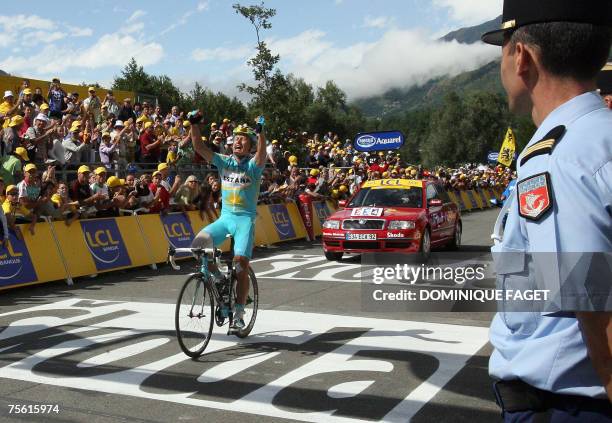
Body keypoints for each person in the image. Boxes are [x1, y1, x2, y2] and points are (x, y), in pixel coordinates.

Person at [481, 1, 612, 421]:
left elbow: (597, 312)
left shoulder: (556, 159)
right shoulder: (599, 136)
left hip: (566, 406)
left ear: (521, 57)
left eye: (501, 49)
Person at [189, 111, 267, 334]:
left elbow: (261, 155)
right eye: (236, 138)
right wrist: (194, 124)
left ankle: (240, 314)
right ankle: (219, 277)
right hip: (225, 218)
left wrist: (261, 134)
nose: (238, 141)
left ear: (250, 145)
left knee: (241, 262)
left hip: (244, 220)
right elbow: (199, 147)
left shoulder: (253, 166)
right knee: (197, 246)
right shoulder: (224, 162)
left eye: (244, 138)